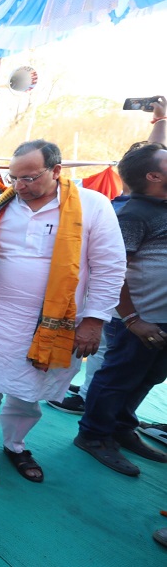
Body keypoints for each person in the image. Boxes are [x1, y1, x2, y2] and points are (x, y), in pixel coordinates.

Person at [0, 140, 126, 485]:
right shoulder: (0, 204)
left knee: (31, 390)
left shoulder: (91, 205)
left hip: (57, 322)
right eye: (14, 179)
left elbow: (110, 266)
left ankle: (16, 444)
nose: (20, 187)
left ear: (56, 171)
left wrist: (95, 320)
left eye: (29, 178)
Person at [48, 96, 167, 415]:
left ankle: (93, 398)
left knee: (106, 353)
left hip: (128, 301)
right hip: (117, 299)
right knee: (102, 349)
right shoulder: (130, 208)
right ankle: (87, 398)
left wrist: (160, 120)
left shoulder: (143, 198)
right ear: (149, 176)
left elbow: (152, 159)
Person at [74, 143, 167, 475]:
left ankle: (121, 427)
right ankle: (94, 435)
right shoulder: (133, 214)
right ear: (154, 176)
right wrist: (132, 319)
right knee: (118, 377)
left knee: (149, 377)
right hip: (138, 320)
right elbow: (115, 270)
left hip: (161, 318)